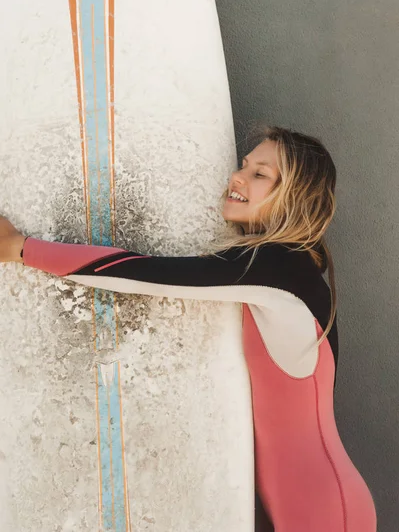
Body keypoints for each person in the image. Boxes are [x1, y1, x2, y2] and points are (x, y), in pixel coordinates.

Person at [0, 125, 377, 531]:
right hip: (312, 499)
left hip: (322, 506)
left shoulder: (280, 268)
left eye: (259, 174)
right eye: (244, 165)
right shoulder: (284, 269)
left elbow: (146, 273)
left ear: (297, 197)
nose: (238, 176)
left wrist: (22, 248)